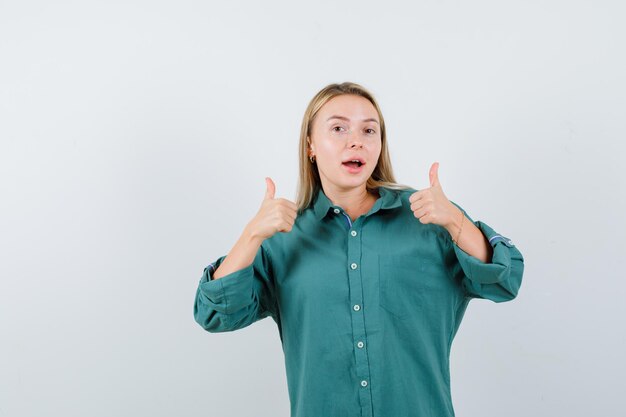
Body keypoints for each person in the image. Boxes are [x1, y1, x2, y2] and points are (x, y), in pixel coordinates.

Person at [193, 81, 524, 417]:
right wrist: (251, 235)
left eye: (369, 130)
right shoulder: (282, 237)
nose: (356, 141)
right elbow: (215, 314)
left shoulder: (428, 217)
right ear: (310, 144)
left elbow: (505, 280)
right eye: (338, 128)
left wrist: (456, 222)